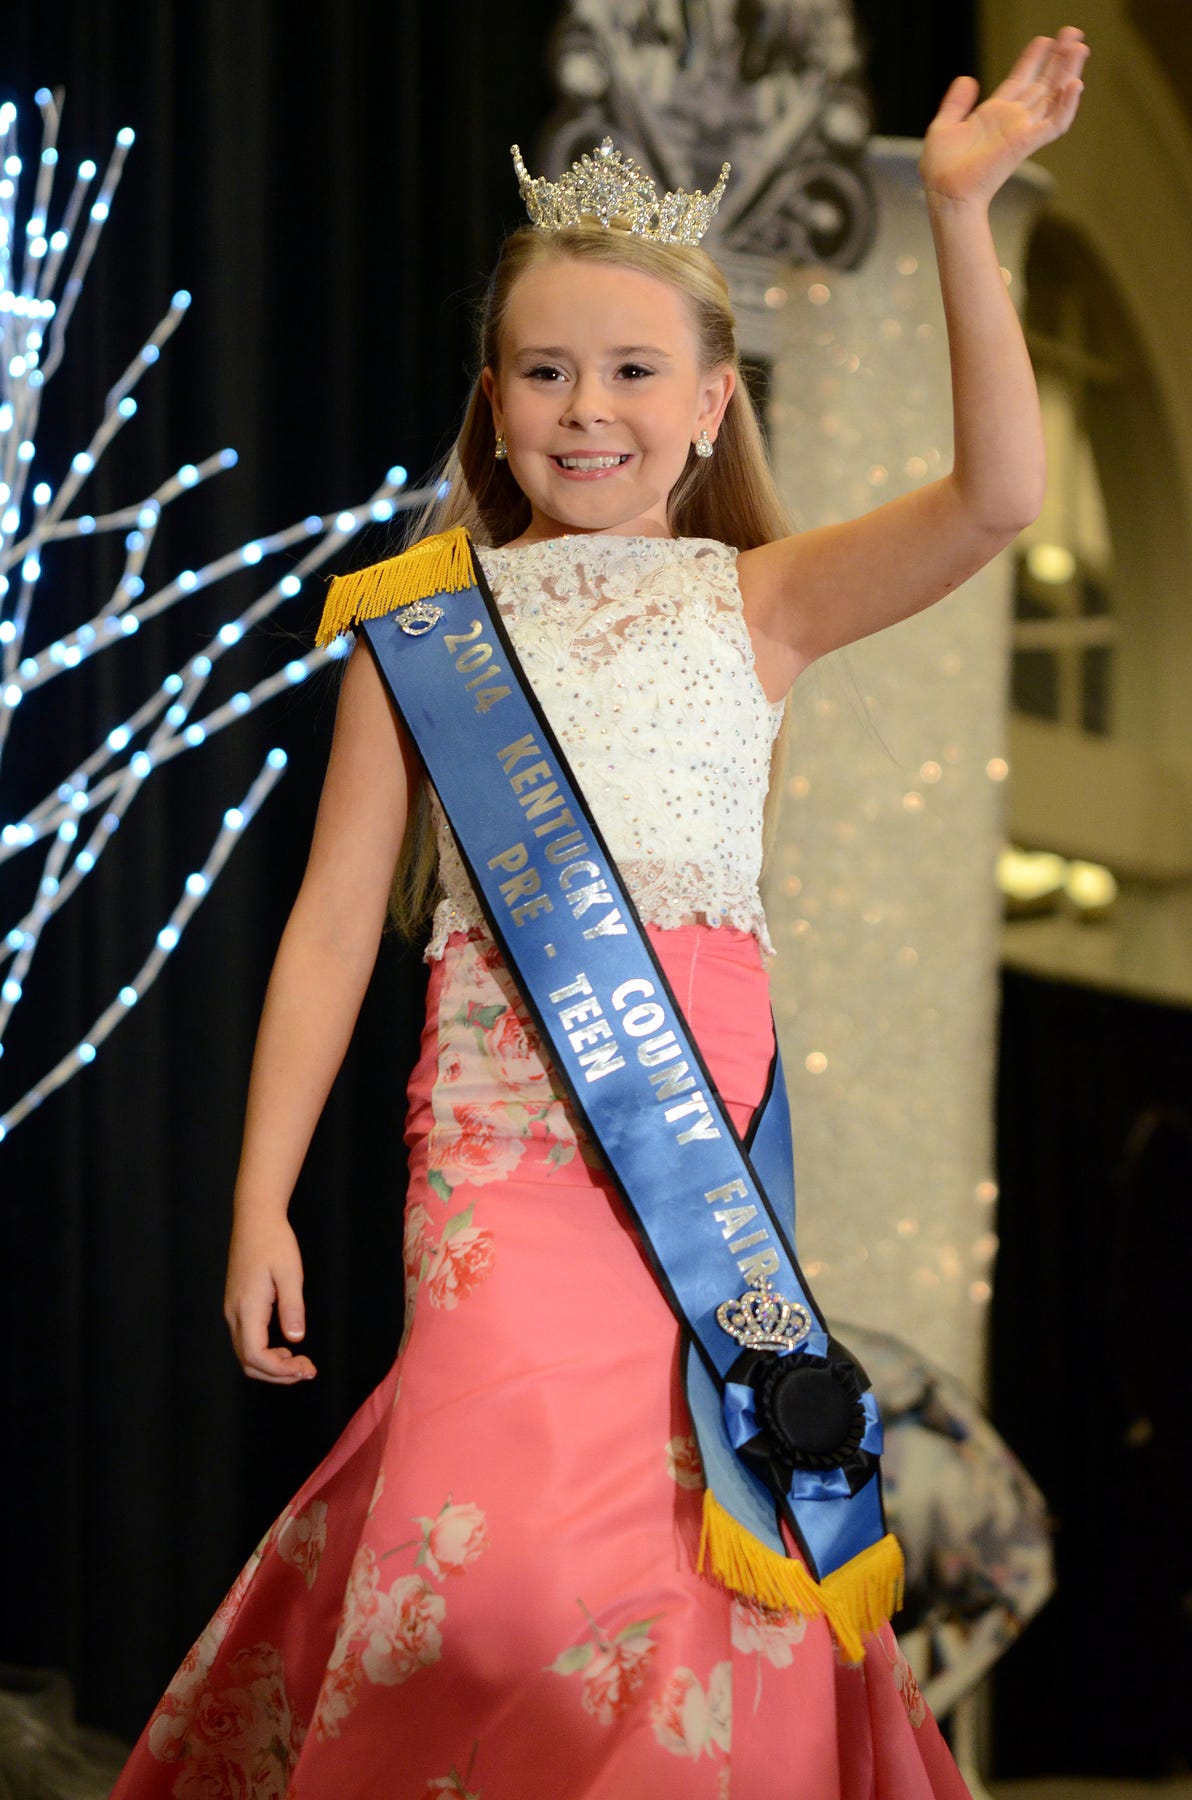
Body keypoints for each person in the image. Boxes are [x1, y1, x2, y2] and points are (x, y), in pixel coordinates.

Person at [113, 28, 1087, 1800]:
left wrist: (961, 210)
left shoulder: (766, 603)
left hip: (696, 1179)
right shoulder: (416, 630)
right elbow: (336, 925)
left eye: (635, 371)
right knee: (484, 1585)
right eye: (546, 371)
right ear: (492, 399)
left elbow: (1001, 498)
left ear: (715, 399)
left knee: (689, 1575)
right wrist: (259, 1194)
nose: (589, 408)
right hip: (491, 1162)